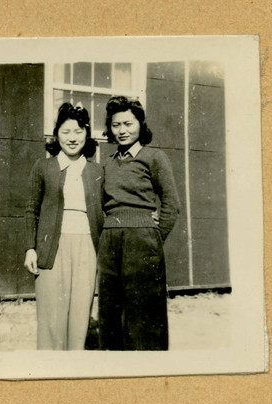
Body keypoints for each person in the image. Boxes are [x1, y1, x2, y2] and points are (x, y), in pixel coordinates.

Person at [98, 96, 180, 351]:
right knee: (111, 311)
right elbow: (103, 204)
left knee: (144, 314)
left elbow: (171, 204)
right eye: (115, 125)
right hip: (111, 242)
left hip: (143, 243)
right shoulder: (108, 163)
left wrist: (152, 237)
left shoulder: (154, 157)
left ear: (140, 124)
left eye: (128, 124)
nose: (122, 130)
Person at [24, 103, 104, 350]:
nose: (72, 138)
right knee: (51, 317)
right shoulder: (43, 167)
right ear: (56, 134)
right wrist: (30, 248)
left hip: (87, 247)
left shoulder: (96, 170)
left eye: (78, 131)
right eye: (66, 131)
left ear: (86, 134)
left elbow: (111, 206)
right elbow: (31, 210)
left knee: (80, 314)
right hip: (51, 248)